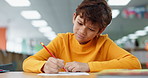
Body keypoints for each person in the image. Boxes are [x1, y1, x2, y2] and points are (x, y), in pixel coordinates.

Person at [23, 0, 141, 74]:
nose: (82, 32)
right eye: (80, 23)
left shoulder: (103, 43)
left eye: (91, 29)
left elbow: (134, 64)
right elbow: (27, 63)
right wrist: (44, 66)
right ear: (74, 17)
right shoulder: (62, 40)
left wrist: (88, 66)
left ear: (100, 31)